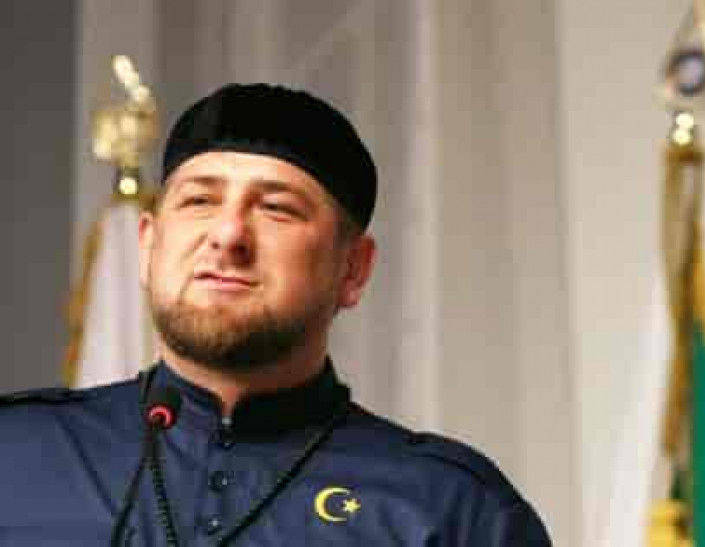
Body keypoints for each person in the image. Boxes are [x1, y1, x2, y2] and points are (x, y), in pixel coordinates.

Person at [0, 83, 552, 545]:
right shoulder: (15, 454)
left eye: (277, 209)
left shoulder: (450, 507)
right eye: (199, 201)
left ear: (353, 269)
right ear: (148, 247)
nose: (228, 234)